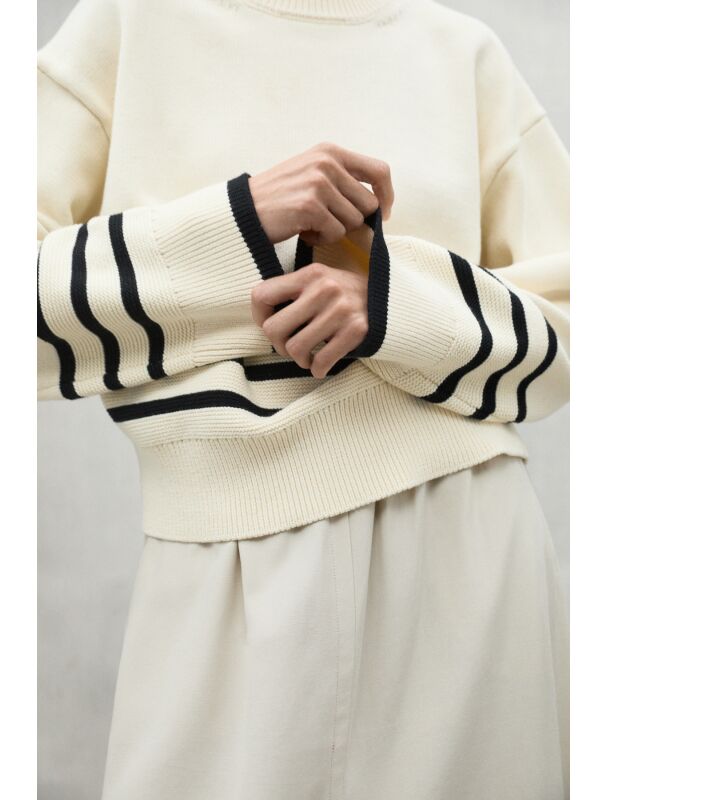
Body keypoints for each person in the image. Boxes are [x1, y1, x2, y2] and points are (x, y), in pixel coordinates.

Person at [37, 0, 570, 797]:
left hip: (467, 555)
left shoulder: (462, 53)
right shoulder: (132, 23)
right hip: (221, 564)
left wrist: (391, 301)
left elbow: (574, 325)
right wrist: (240, 220)